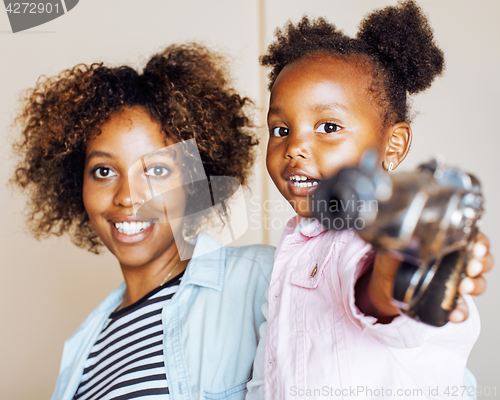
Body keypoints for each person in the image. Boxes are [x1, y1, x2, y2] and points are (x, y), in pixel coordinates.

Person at [246, 1, 493, 399]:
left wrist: (401, 269)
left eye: (328, 127)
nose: (295, 148)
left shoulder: (369, 232)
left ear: (392, 145)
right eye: (281, 129)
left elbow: (371, 289)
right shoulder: (294, 247)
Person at [12, 44, 274, 400]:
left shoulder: (262, 278)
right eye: (103, 171)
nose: (127, 197)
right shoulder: (84, 351)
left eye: (156, 170)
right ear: (77, 183)